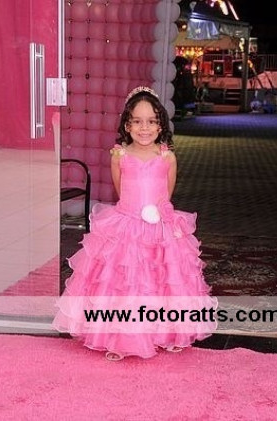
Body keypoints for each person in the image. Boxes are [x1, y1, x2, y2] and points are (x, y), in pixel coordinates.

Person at [53, 86, 217, 361]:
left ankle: (166, 333)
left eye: (151, 121)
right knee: (124, 283)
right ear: (127, 125)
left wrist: (158, 217)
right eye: (137, 121)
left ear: (161, 125)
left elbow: (167, 193)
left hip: (160, 229)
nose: (145, 128)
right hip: (126, 226)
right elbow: (121, 190)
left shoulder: (167, 156)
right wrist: (135, 214)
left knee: (164, 280)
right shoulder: (119, 156)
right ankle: (120, 337)